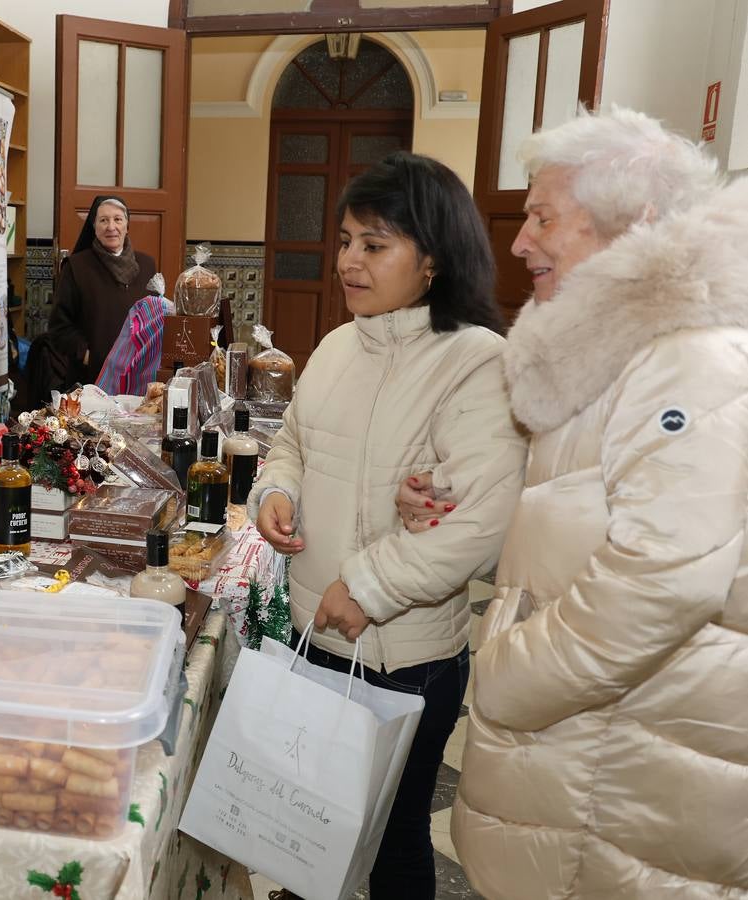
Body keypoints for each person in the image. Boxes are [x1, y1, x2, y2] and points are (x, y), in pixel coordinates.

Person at [397, 107, 748, 899]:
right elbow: (580, 494)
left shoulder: (692, 361)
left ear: (638, 223)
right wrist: (454, 492)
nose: (518, 242)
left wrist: (509, 672)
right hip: (593, 753)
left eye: (542, 217)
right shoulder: (630, 349)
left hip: (628, 771)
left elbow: (665, 577)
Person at [249, 152, 527, 898]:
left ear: (431, 258)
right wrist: (275, 490)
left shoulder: (477, 362)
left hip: (404, 655)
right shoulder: (340, 344)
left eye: (373, 244)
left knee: (392, 836)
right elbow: (294, 443)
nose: (347, 261)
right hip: (315, 630)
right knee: (310, 825)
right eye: (344, 240)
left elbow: (480, 520)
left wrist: (369, 586)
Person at [47, 195, 159, 386]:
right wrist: (88, 356)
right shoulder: (76, 267)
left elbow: (155, 318)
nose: (111, 227)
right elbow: (59, 327)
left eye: (117, 219)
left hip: (139, 376)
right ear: (94, 227)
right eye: (103, 220)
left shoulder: (147, 265)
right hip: (92, 377)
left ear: (127, 226)